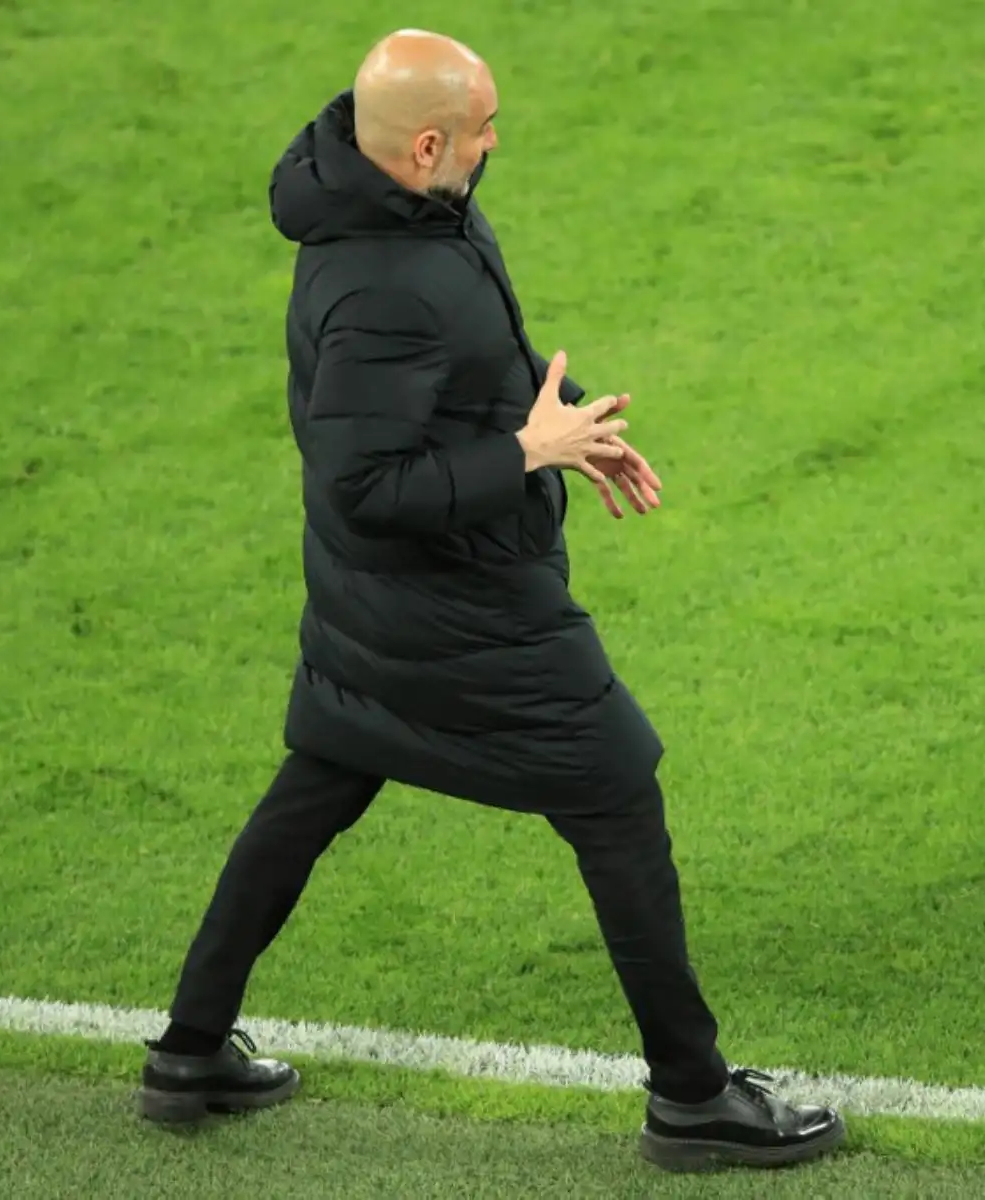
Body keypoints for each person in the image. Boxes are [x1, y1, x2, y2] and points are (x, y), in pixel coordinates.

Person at [135, 28, 846, 1173]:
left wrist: (569, 432)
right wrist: (524, 453)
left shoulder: (413, 211)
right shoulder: (379, 280)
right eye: (483, 128)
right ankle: (693, 1095)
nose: (498, 141)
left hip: (385, 607)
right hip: (454, 612)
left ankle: (189, 1051)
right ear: (426, 146)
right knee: (616, 791)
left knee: (316, 783)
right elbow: (363, 485)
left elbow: (473, 364)